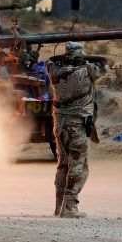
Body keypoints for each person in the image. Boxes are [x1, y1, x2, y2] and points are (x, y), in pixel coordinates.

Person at [46, 41, 112, 218]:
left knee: (63, 164)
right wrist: (85, 58)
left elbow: (49, 60)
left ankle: (59, 205)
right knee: (78, 165)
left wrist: (70, 58)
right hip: (77, 125)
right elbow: (106, 62)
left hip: (59, 124)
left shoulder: (54, 70)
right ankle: (69, 207)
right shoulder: (87, 70)